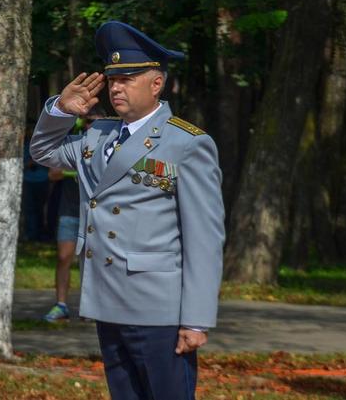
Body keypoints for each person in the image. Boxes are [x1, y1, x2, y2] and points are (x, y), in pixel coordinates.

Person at [30, 21, 225, 400]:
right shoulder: (96, 135)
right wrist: (59, 110)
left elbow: (205, 237)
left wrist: (197, 319)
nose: (116, 87)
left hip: (159, 309)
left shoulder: (185, 143)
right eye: (112, 79)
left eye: (128, 79)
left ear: (156, 84)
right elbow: (43, 153)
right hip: (108, 301)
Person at [41, 112, 101, 323]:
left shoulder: (107, 146)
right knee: (64, 257)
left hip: (95, 214)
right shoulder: (75, 144)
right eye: (87, 121)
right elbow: (53, 174)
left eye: (95, 122)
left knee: (93, 261)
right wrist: (78, 170)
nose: (89, 126)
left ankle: (91, 307)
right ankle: (61, 305)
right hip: (69, 210)